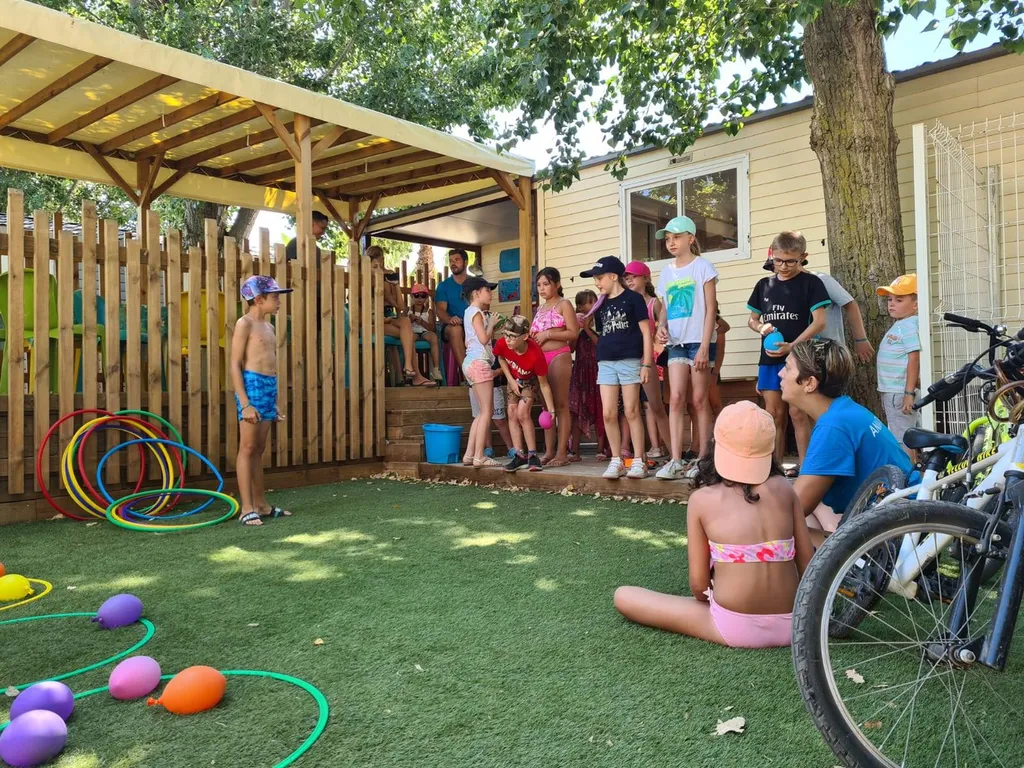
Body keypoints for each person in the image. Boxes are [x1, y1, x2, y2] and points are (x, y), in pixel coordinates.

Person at [613, 401, 813, 648]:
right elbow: (808, 564)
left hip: (734, 625)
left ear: (716, 446)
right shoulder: (785, 489)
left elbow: (699, 586)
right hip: (794, 622)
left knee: (623, 595)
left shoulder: (702, 500)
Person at [780, 339, 913, 546]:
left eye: (787, 368)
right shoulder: (844, 410)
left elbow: (793, 508)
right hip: (905, 516)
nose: (780, 374)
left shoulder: (833, 427)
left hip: (895, 536)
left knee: (778, 529)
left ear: (810, 383)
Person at [747, 231, 831, 471]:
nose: (783, 266)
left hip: (799, 358)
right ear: (771, 255)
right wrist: (761, 326)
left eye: (791, 261)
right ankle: (773, 467)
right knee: (773, 415)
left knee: (797, 412)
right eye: (778, 260)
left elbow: (819, 322)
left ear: (803, 257)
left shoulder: (811, 283)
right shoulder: (763, 285)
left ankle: (806, 468)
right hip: (769, 360)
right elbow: (752, 320)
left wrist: (793, 345)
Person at [653, 216, 719, 481]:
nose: (671, 243)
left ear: (690, 238)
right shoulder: (667, 272)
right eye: (667, 239)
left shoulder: (703, 267)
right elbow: (666, 308)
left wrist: (705, 346)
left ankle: (703, 460)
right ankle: (676, 459)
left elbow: (711, 308)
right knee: (677, 398)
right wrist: (660, 325)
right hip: (677, 343)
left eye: (676, 237)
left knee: (700, 400)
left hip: (699, 342)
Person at [581, 256, 654, 480]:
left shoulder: (634, 299)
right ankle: (616, 460)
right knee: (608, 413)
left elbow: (645, 333)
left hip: (630, 361)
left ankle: (639, 460)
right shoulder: (601, 304)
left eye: (600, 277)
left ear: (614, 276)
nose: (597, 283)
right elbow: (604, 333)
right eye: (595, 278)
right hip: (605, 363)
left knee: (632, 410)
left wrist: (646, 363)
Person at [231, 276, 294, 527]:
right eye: (275, 297)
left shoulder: (270, 327)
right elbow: (235, 365)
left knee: (259, 449)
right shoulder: (244, 324)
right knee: (247, 448)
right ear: (259, 299)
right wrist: (246, 403)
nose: (279, 301)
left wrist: (274, 401)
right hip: (252, 385)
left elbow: (270, 363)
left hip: (268, 387)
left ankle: (261, 505)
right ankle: (246, 508)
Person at [762, 250, 874, 363]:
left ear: (799, 260)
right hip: (801, 356)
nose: (780, 269)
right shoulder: (782, 289)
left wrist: (860, 339)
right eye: (774, 265)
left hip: (828, 353)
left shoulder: (821, 280)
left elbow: (850, 304)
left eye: (787, 262)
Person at [495, 316, 557, 472]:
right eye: (506, 335)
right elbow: (501, 358)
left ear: (525, 337)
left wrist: (551, 410)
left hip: (530, 379)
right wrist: (510, 380)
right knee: (512, 412)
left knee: (523, 413)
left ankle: (533, 456)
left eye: (512, 337)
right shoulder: (502, 343)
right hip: (513, 378)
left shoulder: (536, 354)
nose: (508, 340)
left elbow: (544, 384)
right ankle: (519, 455)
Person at [366, 246, 435, 388]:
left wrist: (395, 285)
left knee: (405, 323)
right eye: (375, 265)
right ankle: (415, 375)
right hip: (371, 320)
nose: (379, 267)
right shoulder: (363, 281)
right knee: (408, 334)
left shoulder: (386, 277)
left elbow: (401, 307)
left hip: (389, 316)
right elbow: (361, 312)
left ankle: (409, 367)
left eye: (380, 263)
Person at [531, 267, 578, 467]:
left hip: (559, 355)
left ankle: (562, 453)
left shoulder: (564, 304)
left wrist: (548, 334)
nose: (542, 288)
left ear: (557, 284)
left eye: (546, 284)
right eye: (539, 285)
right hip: (540, 359)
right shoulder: (539, 309)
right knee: (546, 407)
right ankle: (549, 451)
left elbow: (573, 333)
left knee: (560, 405)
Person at [625, 261, 670, 459]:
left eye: (633, 276)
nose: (629, 280)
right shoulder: (626, 302)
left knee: (654, 404)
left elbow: (661, 331)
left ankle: (662, 446)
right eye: (626, 277)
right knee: (639, 405)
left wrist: (655, 356)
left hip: (652, 360)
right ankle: (650, 447)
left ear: (646, 278)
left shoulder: (654, 303)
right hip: (632, 358)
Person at [876, 274, 921, 457]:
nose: (891, 304)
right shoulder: (904, 324)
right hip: (896, 391)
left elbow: (914, 357)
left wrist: (908, 393)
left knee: (903, 439)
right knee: (908, 435)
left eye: (899, 299)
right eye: (890, 299)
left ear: (916, 304)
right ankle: (916, 476)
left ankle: (907, 481)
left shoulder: (909, 326)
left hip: (899, 392)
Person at [461, 276, 502, 467]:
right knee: (487, 411)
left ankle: (469, 455)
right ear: (477, 293)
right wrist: (492, 323)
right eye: (487, 289)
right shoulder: (477, 312)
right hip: (479, 363)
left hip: (470, 363)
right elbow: (484, 339)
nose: (490, 293)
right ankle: (479, 456)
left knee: (481, 413)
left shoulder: (468, 312)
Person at [569, 290, 606, 460]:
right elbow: (571, 348)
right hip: (581, 372)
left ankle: (601, 449)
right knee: (577, 410)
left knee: (600, 409)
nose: (590, 306)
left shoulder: (601, 320)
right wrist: (577, 329)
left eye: (593, 302)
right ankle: (574, 451)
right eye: (587, 303)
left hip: (598, 370)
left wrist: (587, 329)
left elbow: (601, 344)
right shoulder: (576, 323)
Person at [686, 313, 730, 458]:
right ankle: (695, 445)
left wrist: (715, 373)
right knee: (693, 406)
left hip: (710, 370)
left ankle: (721, 442)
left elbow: (720, 349)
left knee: (716, 405)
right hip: (692, 368)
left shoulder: (717, 328)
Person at [434, 249, 471, 370]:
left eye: (457, 260)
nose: (453, 263)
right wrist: (450, 319)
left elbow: (485, 306)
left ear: (465, 262)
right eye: (450, 261)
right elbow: (440, 310)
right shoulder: (444, 286)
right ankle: (468, 374)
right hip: (451, 326)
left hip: (473, 324)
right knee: (455, 330)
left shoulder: (475, 283)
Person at [408, 283, 443, 382]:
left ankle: (436, 368)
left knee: (434, 337)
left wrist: (422, 322)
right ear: (412, 296)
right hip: (413, 331)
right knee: (409, 339)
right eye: (416, 296)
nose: (419, 299)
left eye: (423, 296)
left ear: (426, 297)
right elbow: (404, 325)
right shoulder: (408, 310)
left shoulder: (429, 311)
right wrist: (410, 319)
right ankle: (410, 367)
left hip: (424, 331)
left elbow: (432, 328)